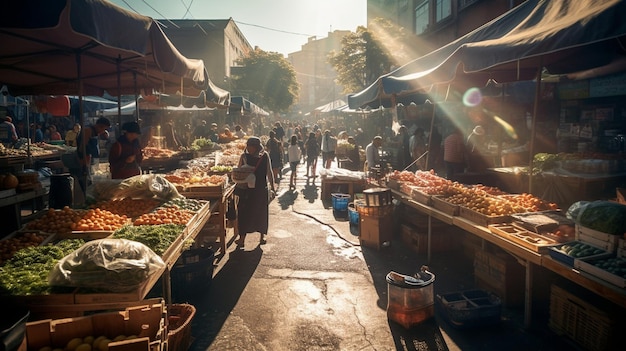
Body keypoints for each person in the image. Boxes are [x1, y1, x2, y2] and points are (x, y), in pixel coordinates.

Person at [236, 136, 275, 246]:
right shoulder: (243, 156)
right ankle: (242, 238)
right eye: (247, 146)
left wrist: (272, 186)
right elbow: (238, 171)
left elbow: (269, 172)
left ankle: (262, 236)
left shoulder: (264, 156)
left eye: (250, 146)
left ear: (256, 146)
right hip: (247, 191)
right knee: (243, 214)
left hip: (260, 190)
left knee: (261, 213)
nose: (248, 148)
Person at [74, 117, 110, 193]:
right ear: (99, 126)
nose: (103, 131)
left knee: (92, 178)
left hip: (92, 159)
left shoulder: (96, 132)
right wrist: (84, 159)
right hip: (85, 159)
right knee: (87, 180)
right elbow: (82, 148)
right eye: (103, 128)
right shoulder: (88, 131)